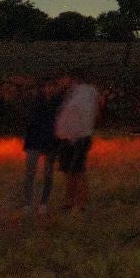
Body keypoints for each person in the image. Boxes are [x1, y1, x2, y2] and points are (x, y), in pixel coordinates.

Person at [54, 72, 99, 213]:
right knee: (68, 170)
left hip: (79, 137)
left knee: (78, 170)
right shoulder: (70, 94)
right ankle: (69, 201)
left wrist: (78, 133)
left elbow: (84, 115)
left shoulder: (84, 93)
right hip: (67, 137)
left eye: (61, 79)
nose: (59, 82)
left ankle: (82, 203)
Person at [21, 77, 63, 214]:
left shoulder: (58, 102)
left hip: (49, 141)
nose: (49, 89)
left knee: (48, 173)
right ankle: (28, 203)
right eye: (47, 86)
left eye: (52, 86)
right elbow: (30, 120)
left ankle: (43, 202)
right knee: (30, 173)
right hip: (35, 140)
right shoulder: (36, 101)